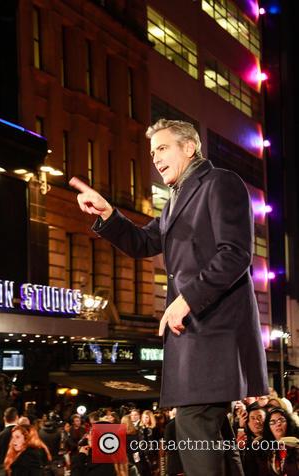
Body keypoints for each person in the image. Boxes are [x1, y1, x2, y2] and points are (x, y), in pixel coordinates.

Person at [70, 118, 269, 476]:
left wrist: (187, 298)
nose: (155, 158)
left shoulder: (221, 183)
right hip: (196, 339)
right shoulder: (174, 201)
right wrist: (108, 213)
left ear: (189, 147)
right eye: (152, 152)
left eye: (162, 148)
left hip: (215, 336)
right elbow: (143, 242)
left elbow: (235, 254)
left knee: (195, 428)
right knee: (213, 437)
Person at [0, 407, 19, 476]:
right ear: (17, 418)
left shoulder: (0, 436)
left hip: (3, 471)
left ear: (4, 418)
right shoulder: (25, 434)